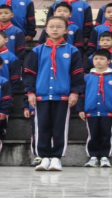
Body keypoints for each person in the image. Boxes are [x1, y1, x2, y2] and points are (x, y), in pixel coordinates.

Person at [24, 17, 84, 172]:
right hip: (41, 96)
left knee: (60, 127)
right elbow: (30, 73)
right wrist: (30, 92)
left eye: (59, 26)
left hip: (62, 97)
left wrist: (75, 92)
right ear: (46, 29)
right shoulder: (37, 50)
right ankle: (44, 157)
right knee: (41, 126)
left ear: (66, 30)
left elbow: (77, 74)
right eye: (51, 26)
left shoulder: (72, 51)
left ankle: (56, 158)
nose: (55, 29)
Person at [77, 49, 112, 168]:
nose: (98, 61)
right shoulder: (87, 77)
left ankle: (105, 156)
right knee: (92, 134)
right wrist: (81, 109)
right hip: (91, 111)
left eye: (102, 59)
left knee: (107, 134)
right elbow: (81, 94)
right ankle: (92, 156)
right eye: (96, 59)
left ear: (108, 61)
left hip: (108, 112)